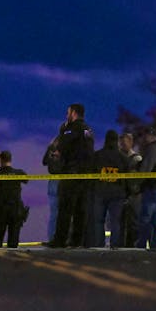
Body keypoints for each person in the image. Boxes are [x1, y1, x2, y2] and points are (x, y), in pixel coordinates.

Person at [51, 104, 94, 248]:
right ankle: (77, 241)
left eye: (68, 112)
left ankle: (59, 241)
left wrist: (63, 131)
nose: (66, 115)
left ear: (74, 113)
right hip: (85, 175)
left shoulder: (71, 129)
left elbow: (60, 148)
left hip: (71, 173)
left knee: (65, 209)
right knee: (80, 211)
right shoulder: (88, 130)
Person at [91, 130, 130, 249]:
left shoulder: (97, 156)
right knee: (115, 221)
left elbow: (92, 175)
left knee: (98, 221)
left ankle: (99, 245)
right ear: (116, 141)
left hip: (100, 192)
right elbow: (127, 178)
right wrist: (127, 193)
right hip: (117, 193)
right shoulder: (123, 158)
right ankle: (115, 246)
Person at [0, 151, 28, 248]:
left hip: (1, 208)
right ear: (10, 160)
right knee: (13, 241)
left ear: (1, 160)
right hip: (15, 209)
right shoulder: (18, 173)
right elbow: (26, 179)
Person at [118, 132, 142, 248]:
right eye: (120, 142)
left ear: (131, 142)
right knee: (120, 222)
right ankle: (122, 246)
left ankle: (133, 246)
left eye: (124, 142)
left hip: (134, 195)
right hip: (121, 195)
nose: (122, 145)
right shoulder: (118, 158)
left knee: (134, 223)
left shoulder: (136, 159)